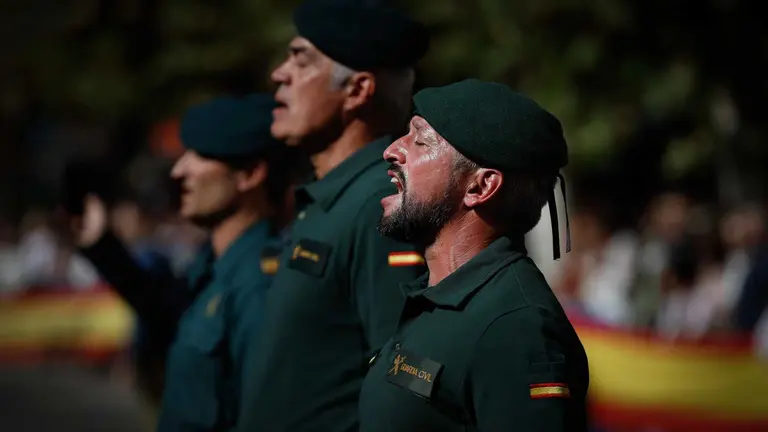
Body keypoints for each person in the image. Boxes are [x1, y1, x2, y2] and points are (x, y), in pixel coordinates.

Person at [237, 1, 430, 431]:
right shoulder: (334, 197)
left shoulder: (379, 203)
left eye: (301, 59)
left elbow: (409, 377)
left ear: (357, 90)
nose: (279, 74)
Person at [359, 79, 590, 431]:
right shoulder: (439, 296)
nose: (392, 150)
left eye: (420, 140)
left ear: (480, 186)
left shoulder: (516, 327)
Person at [65, 94, 294, 431]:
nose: (179, 170)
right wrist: (104, 247)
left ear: (250, 174)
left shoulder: (260, 285)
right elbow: (169, 313)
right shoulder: (214, 265)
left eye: (201, 156)